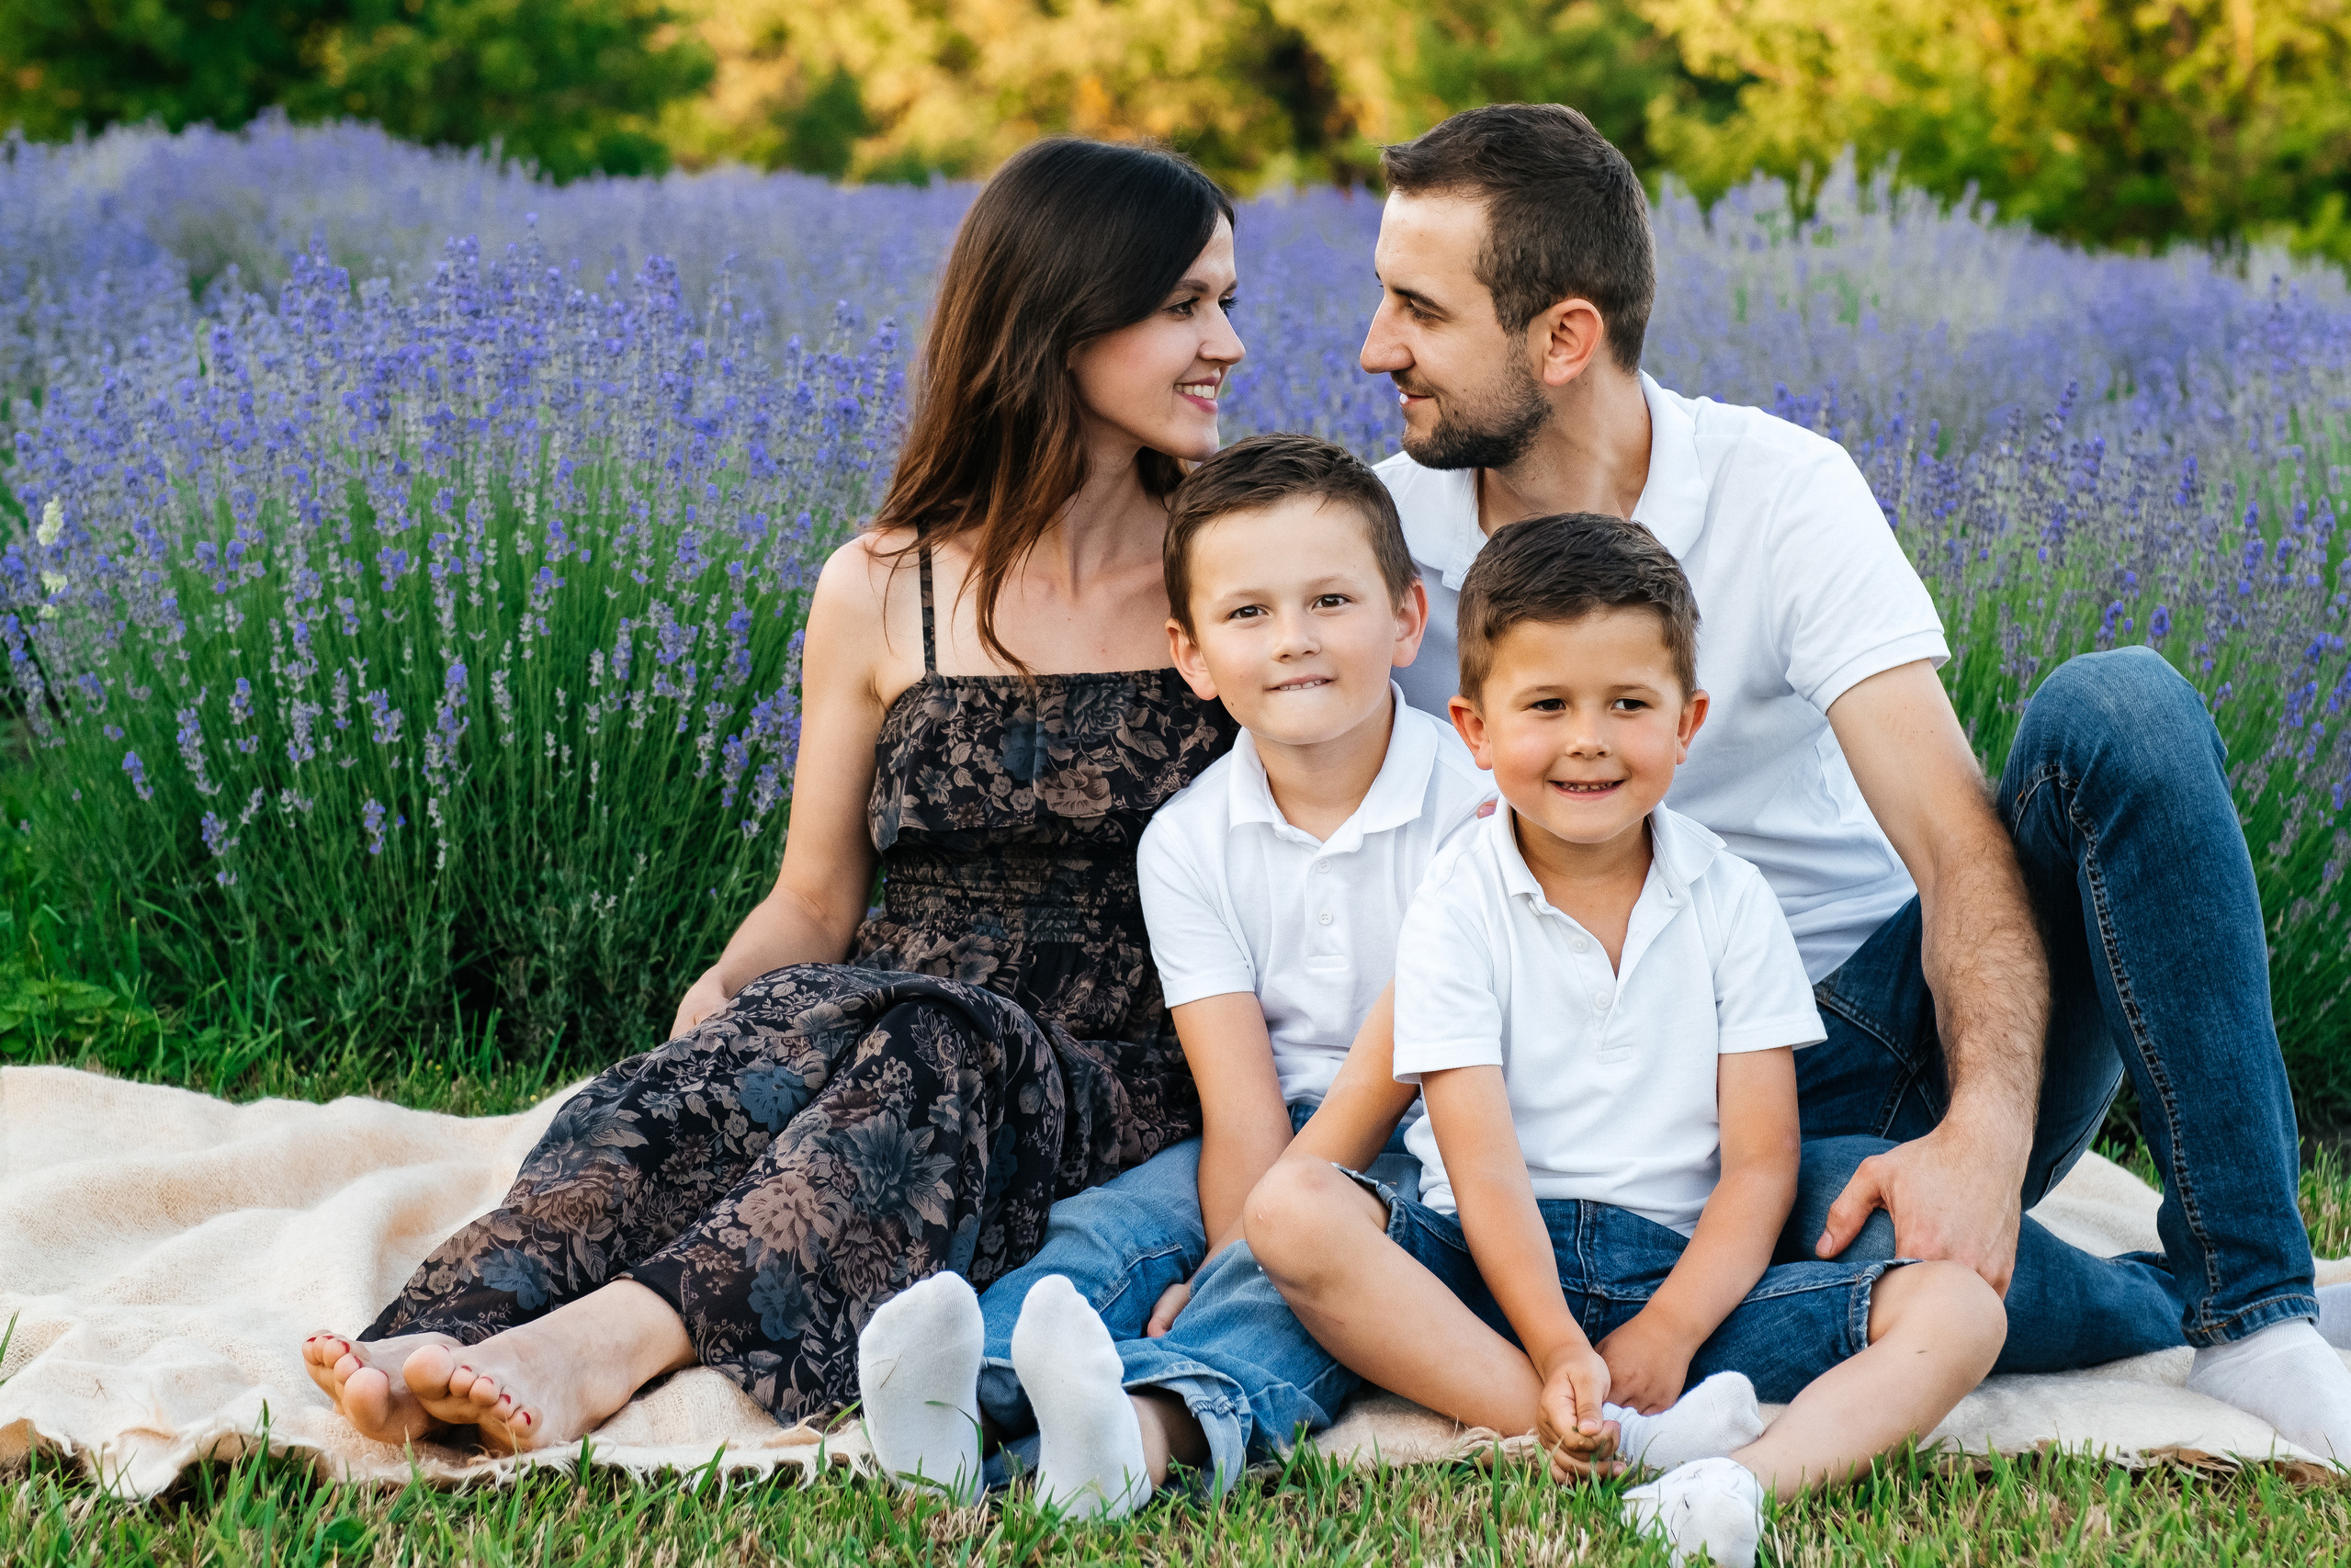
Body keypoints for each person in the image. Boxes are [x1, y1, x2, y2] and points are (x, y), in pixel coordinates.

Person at [1349, 101, 2351, 1459]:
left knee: (2121, 704)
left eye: (1419, 309)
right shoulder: (1373, 543)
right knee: (1862, 1252)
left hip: (1860, 1044)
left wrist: (1985, 1138)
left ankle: (2260, 1315)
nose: (1373, 349)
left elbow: (1956, 845)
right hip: (1606, 1137)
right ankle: (2152, 1303)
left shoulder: (1779, 491)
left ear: (1565, 338)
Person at [297, 135, 1247, 1451]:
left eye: (1228, 301)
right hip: (878, 1015)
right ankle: (444, 1319)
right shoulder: (881, 581)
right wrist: (717, 1009)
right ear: (1061, 315)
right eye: (1186, 304)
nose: (1228, 344)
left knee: (931, 1052)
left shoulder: (1235, 568)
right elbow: (816, 893)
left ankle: (596, 1349)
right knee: (694, 1081)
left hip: (1101, 1069)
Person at [858, 436, 1767, 1517]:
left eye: (1329, 600)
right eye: (1248, 615)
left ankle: (1143, 1429)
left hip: (1433, 1138)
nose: (1292, 641)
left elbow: (1400, 1071)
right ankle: (972, 1395)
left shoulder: (1476, 802)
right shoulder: (1188, 842)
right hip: (1276, 1132)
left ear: (1403, 622)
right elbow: (1240, 1101)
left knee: (1275, 1294)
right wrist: (1223, 1230)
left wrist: (1248, 1254)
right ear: (1190, 654)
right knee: (1114, 1231)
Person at [1249, 513, 2006, 1568]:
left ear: (1686, 720)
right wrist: (1558, 1343)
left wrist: (1673, 1330)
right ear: (1473, 727)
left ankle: (1732, 1479)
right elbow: (1482, 1163)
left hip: (1687, 1274)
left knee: (1961, 1310)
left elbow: (1758, 1164)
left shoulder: (1730, 898)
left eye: (1628, 705)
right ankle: (1584, 1426)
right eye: (1547, 706)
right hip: (1481, 1272)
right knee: (1291, 1210)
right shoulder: (1456, 902)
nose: (1589, 739)